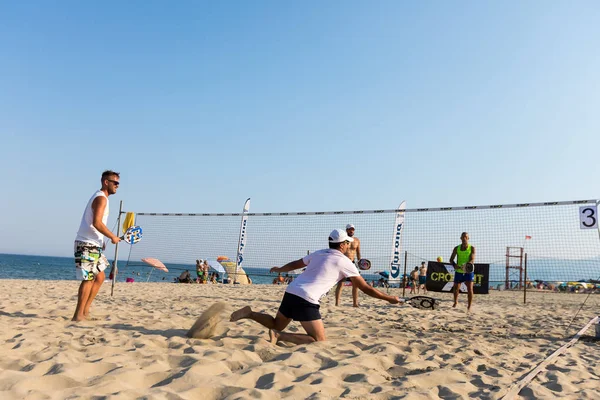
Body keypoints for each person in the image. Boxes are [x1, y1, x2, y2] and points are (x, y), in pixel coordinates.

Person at [230, 229, 400, 345]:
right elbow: (366, 288)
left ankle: (250, 313)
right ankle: (279, 336)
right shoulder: (345, 262)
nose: (349, 246)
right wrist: (389, 298)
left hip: (291, 290)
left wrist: (280, 269)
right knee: (319, 340)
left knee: (276, 323)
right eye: (347, 243)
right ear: (341, 245)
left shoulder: (319, 253)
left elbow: (296, 263)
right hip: (306, 298)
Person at [72, 170, 121, 322]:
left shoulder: (103, 198)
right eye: (115, 182)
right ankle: (78, 315)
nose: (117, 186)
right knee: (88, 278)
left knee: (100, 277)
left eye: (118, 183)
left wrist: (101, 241)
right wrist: (112, 236)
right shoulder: (101, 198)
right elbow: (96, 222)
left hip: (93, 243)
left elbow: (96, 224)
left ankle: (85, 311)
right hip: (86, 243)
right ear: (106, 182)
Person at [334, 224, 362, 307]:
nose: (351, 231)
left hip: (352, 263)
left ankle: (355, 303)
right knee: (341, 283)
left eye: (353, 229)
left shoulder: (356, 240)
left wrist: (360, 261)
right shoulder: (342, 239)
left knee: (356, 284)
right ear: (346, 230)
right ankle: (337, 303)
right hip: (343, 262)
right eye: (350, 229)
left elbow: (358, 252)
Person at [449, 232, 476, 311]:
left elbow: (472, 259)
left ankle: (469, 306)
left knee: (470, 289)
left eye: (466, 237)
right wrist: (455, 265)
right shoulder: (456, 248)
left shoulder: (472, 248)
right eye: (463, 237)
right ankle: (455, 302)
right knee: (456, 288)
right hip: (459, 270)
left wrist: (466, 265)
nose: (464, 238)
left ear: (468, 238)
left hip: (468, 271)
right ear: (460, 238)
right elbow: (451, 260)